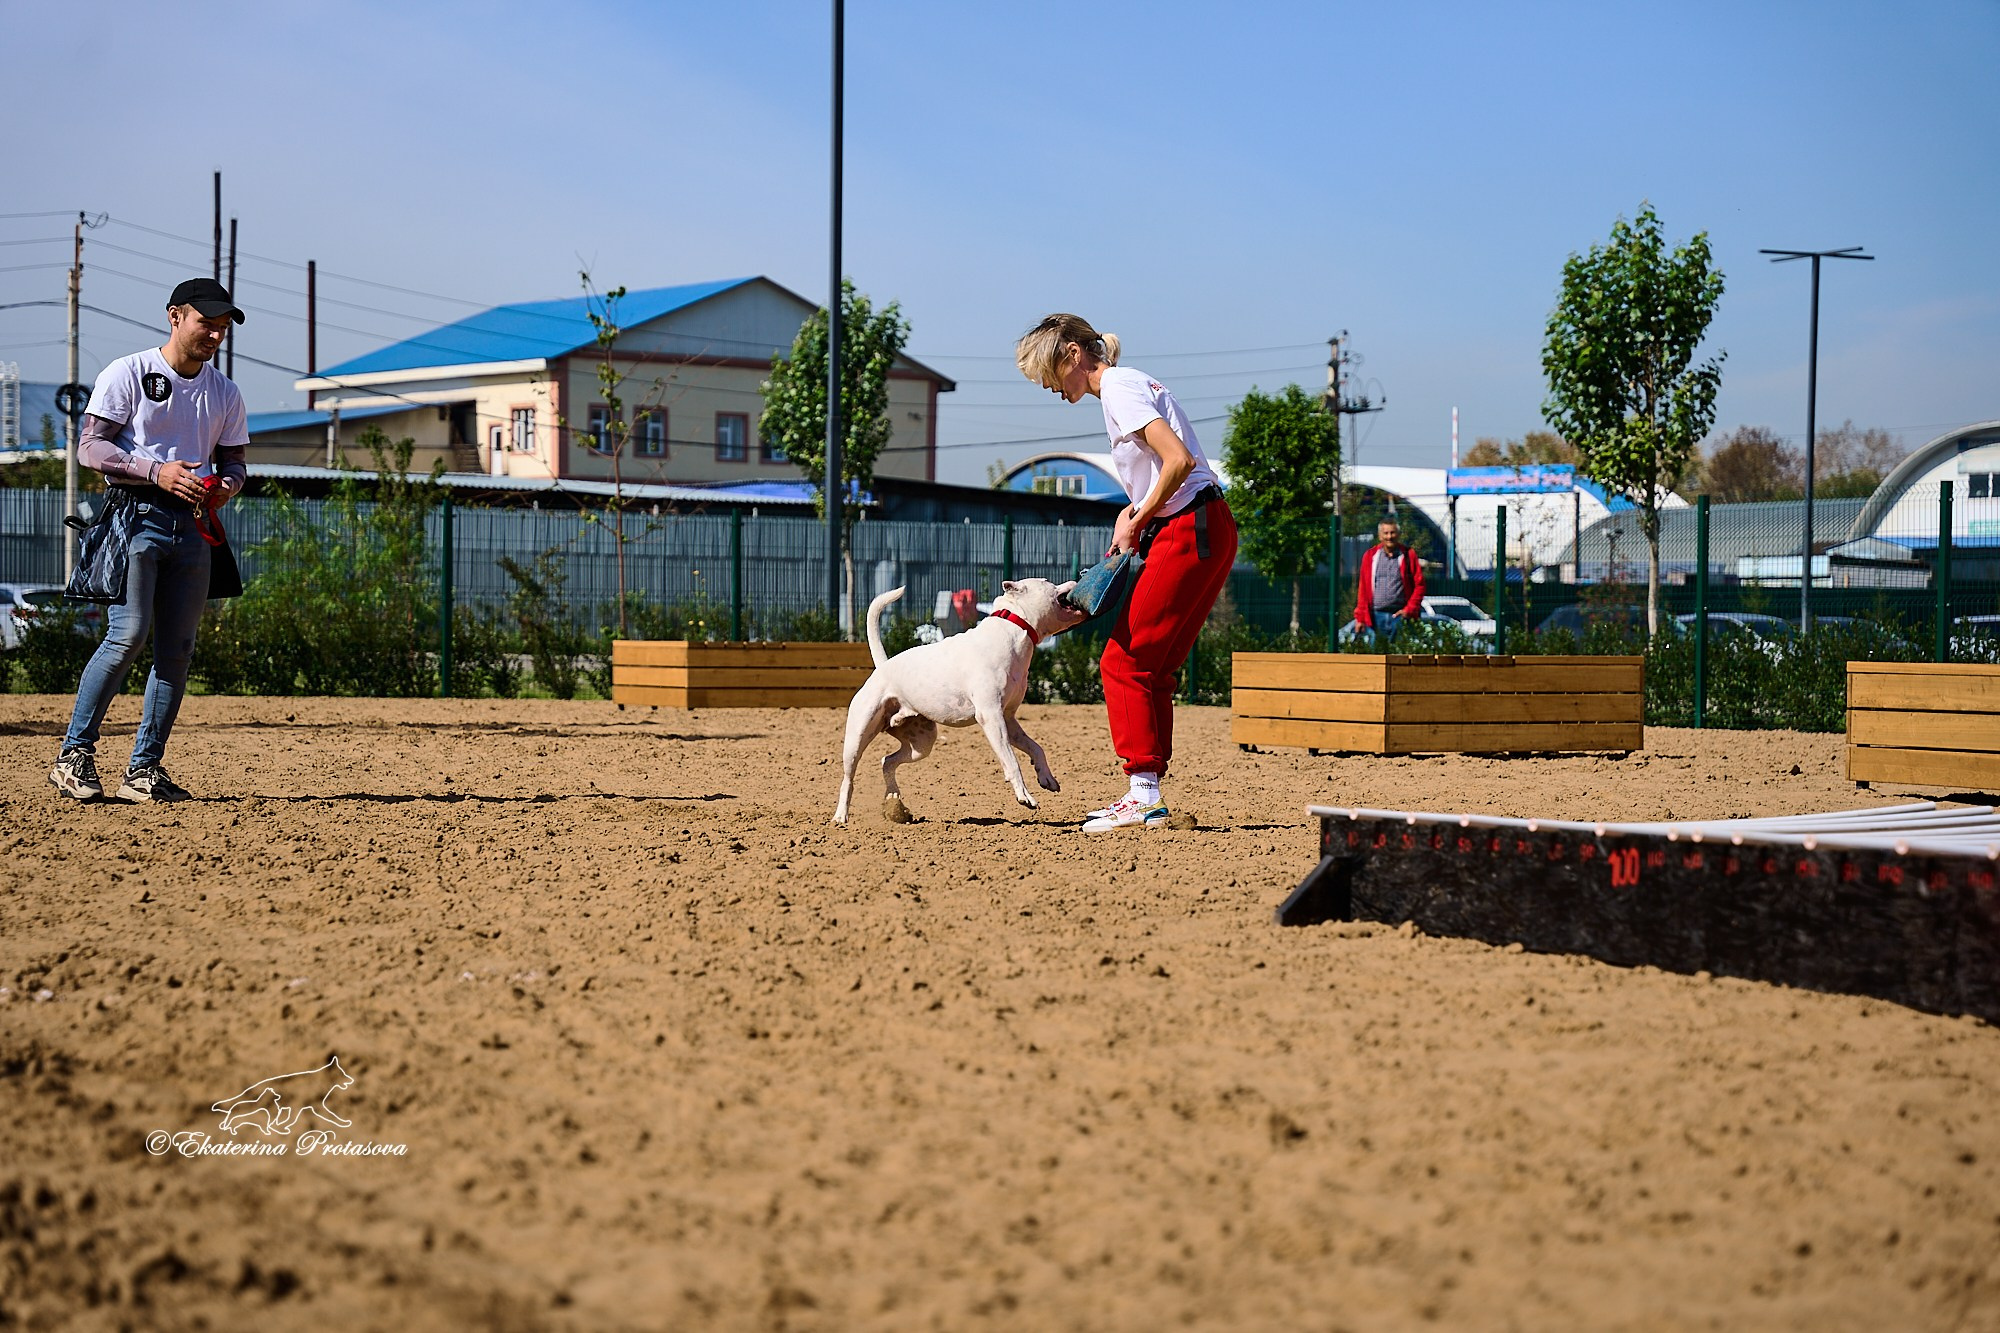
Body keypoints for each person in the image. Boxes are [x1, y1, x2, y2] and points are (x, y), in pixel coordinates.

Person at [1015, 314, 1237, 831]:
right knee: (1152, 667)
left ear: (1072, 354)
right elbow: (1172, 468)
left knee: (1124, 661)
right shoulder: (1126, 383)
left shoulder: (1116, 386)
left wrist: (1140, 515)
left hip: (1189, 526)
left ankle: (1142, 794)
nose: (1048, 387)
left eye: (1046, 372)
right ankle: (1148, 791)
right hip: (1204, 523)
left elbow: (1177, 460)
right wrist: (1132, 511)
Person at [47, 278, 248, 804]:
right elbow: (90, 448)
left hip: (195, 525)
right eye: (207, 321)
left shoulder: (224, 391)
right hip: (135, 516)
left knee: (177, 650)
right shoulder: (129, 371)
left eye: (223, 325)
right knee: (129, 633)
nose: (216, 333)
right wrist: (154, 471)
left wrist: (226, 486)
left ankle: (143, 769)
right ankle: (74, 755)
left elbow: (235, 462)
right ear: (174, 316)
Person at [1354, 518, 1424, 648]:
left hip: (1400, 617)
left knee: (1400, 655)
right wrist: (1360, 618)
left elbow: (1419, 586)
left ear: (1398, 534)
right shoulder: (1370, 556)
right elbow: (1363, 589)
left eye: (1392, 533)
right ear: (1380, 536)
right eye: (1385, 533)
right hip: (1375, 617)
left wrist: (1408, 610)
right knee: (1376, 658)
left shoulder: (1409, 555)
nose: (1389, 537)